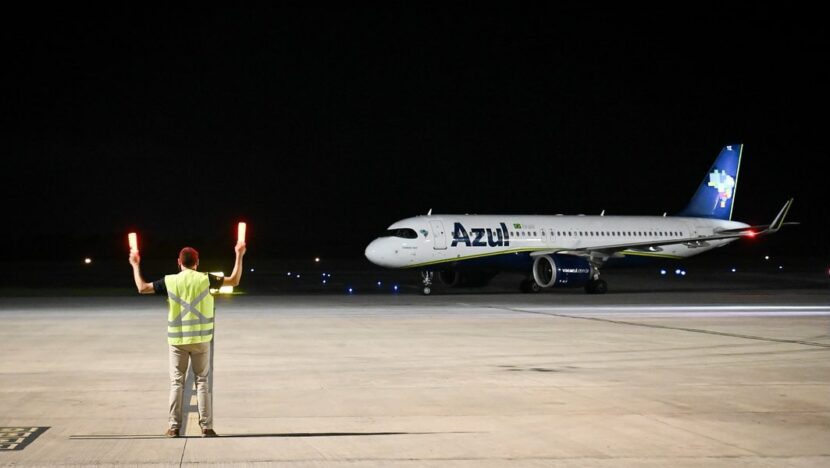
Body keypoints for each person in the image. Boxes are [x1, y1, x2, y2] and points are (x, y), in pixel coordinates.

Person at [129, 242, 246, 437]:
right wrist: (239, 254)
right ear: (197, 263)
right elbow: (234, 281)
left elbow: (142, 288)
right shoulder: (206, 279)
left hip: (177, 340)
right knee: (202, 381)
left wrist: (134, 265)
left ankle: (174, 427)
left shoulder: (170, 280)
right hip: (201, 340)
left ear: (179, 262)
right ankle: (206, 427)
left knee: (177, 382)